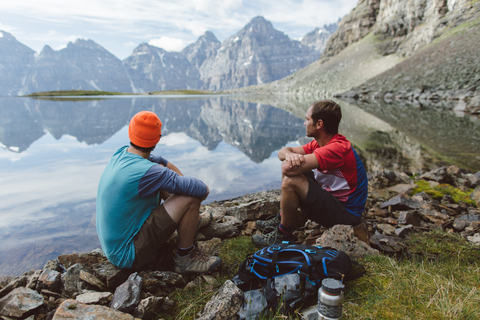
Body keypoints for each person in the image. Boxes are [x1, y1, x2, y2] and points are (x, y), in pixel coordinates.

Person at [96, 110, 221, 274]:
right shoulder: (147, 172)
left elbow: (159, 162)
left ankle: (192, 220)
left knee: (168, 182)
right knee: (190, 198)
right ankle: (185, 258)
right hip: (128, 255)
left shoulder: (122, 153)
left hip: (114, 248)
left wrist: (173, 180)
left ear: (130, 134)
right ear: (157, 140)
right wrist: (190, 196)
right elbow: (202, 189)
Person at [251, 100, 368, 247]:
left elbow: (286, 168)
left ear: (319, 124)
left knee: (290, 179)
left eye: (307, 119)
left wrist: (290, 160)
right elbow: (283, 151)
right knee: (293, 172)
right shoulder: (320, 143)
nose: (304, 123)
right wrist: (290, 155)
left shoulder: (336, 149)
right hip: (334, 202)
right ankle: (283, 217)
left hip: (347, 215)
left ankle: (283, 234)